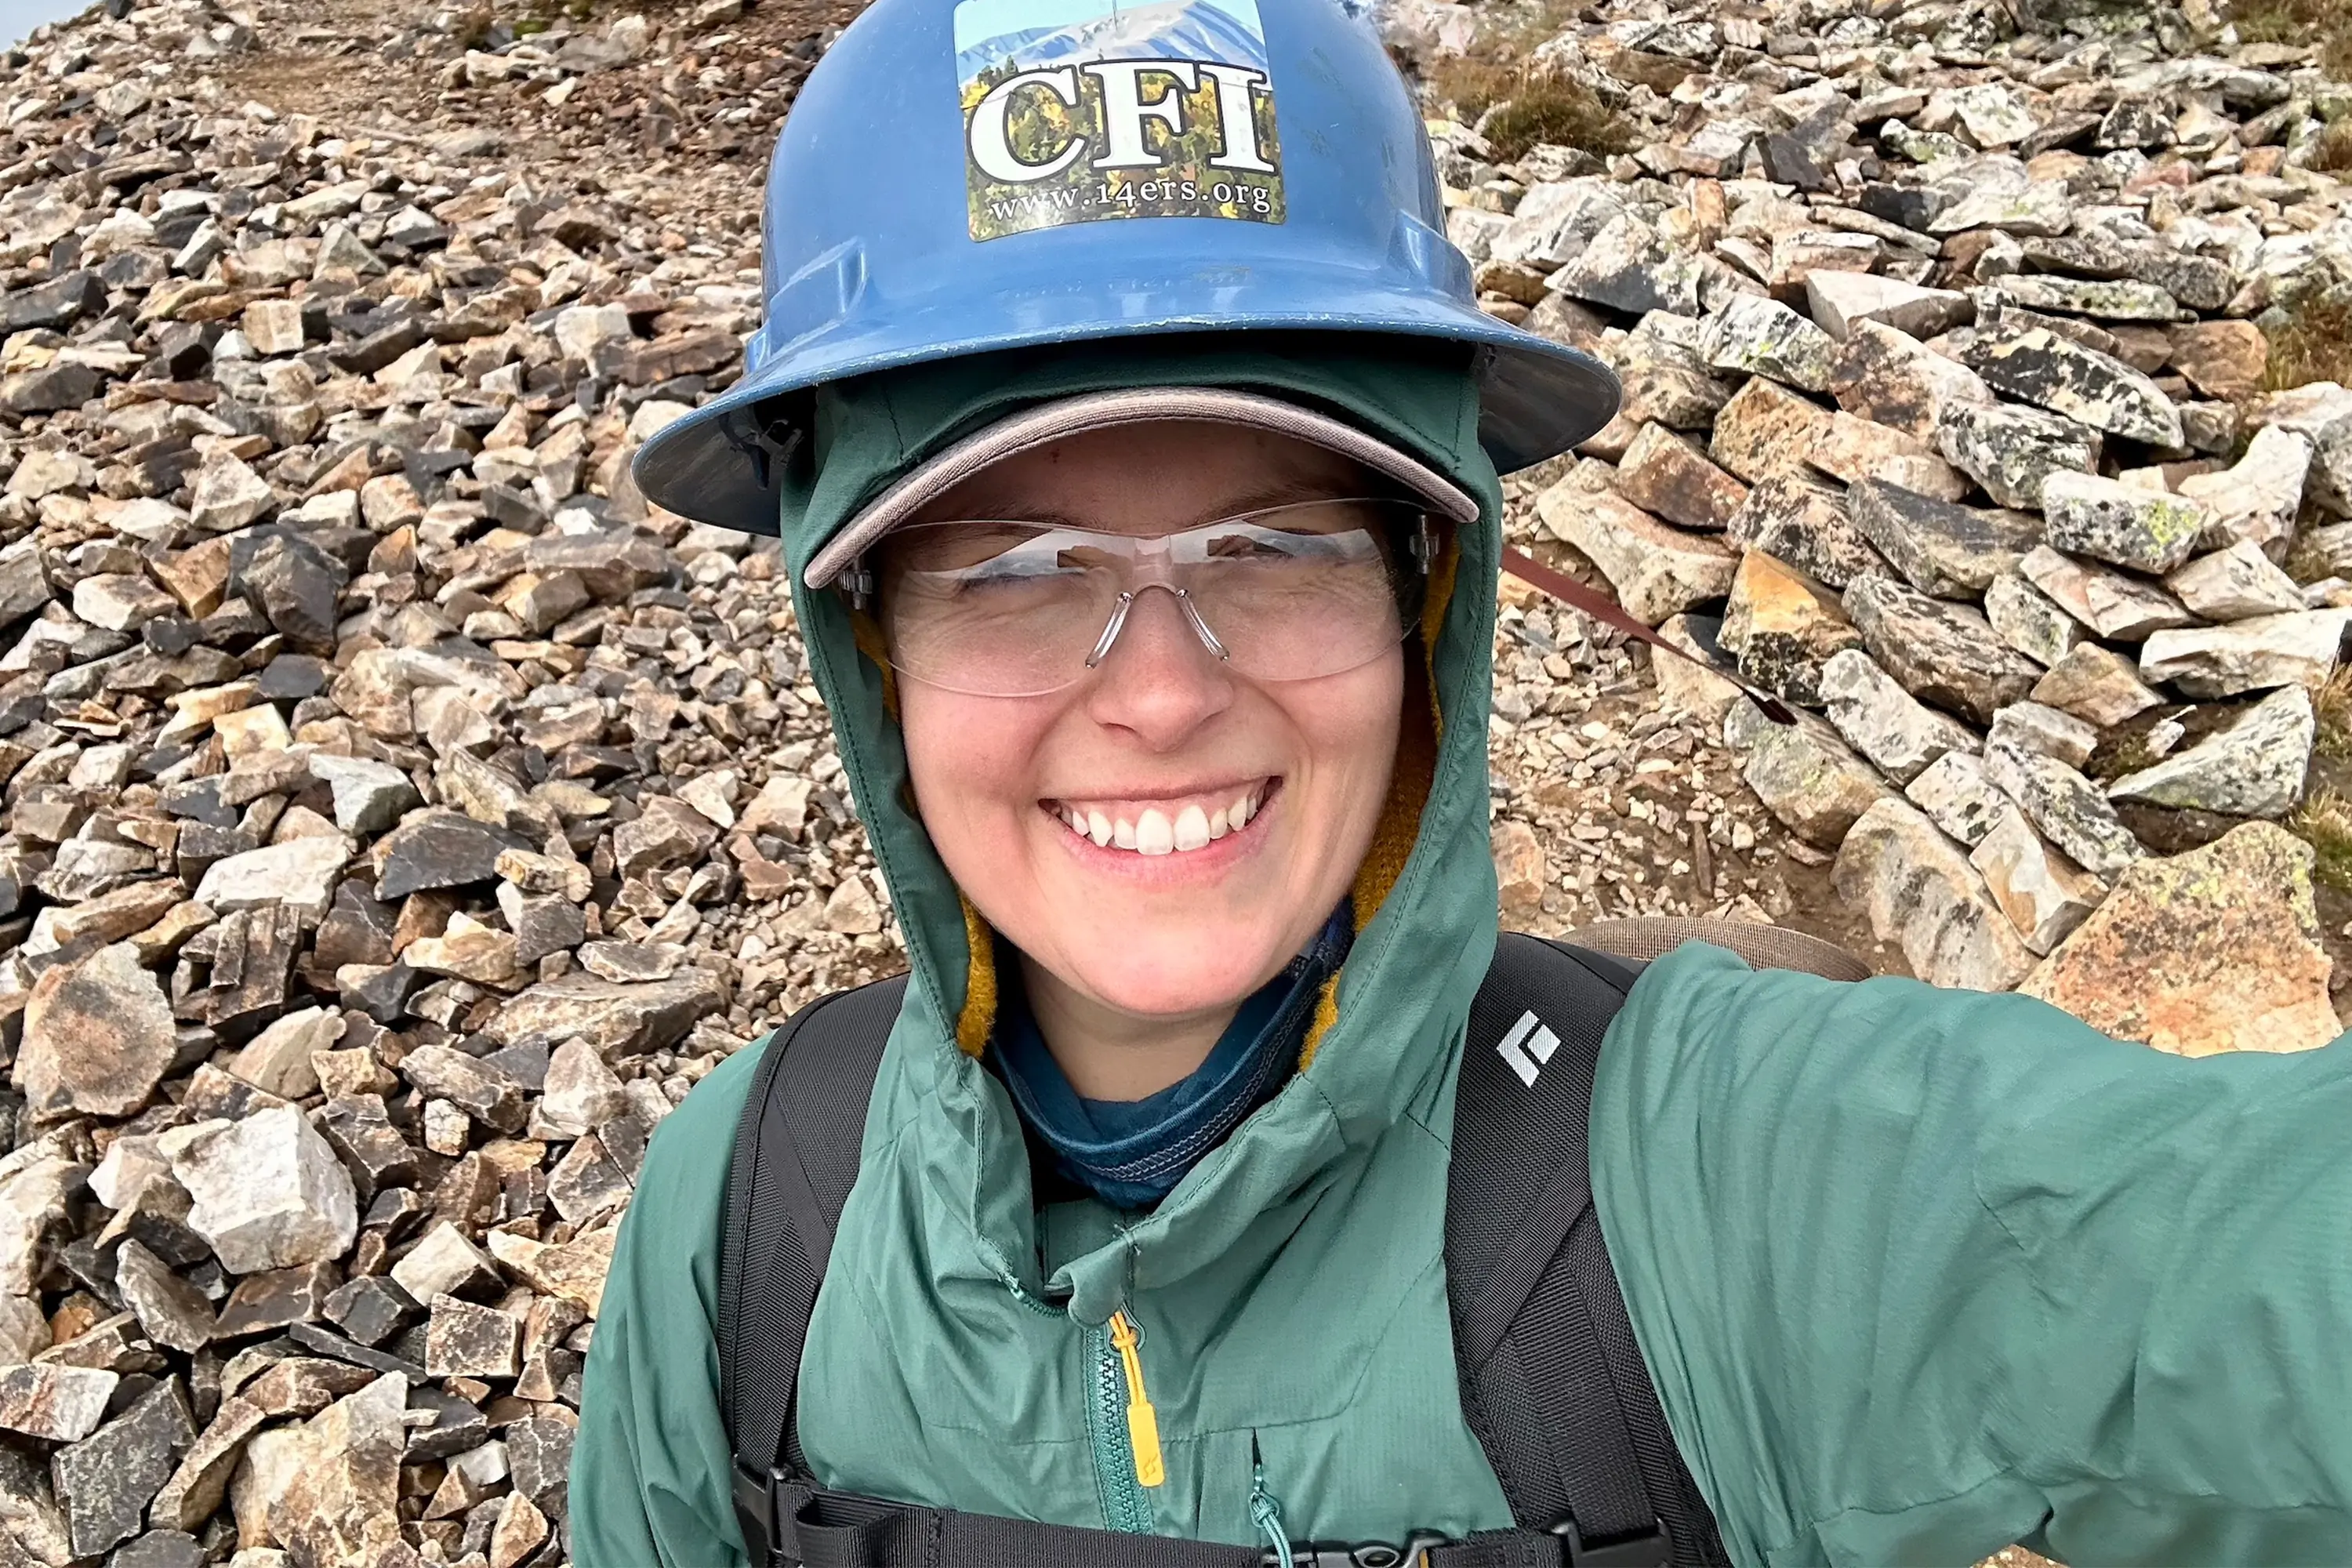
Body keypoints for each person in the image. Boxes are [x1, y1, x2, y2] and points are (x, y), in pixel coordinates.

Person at [569, 0, 2352, 1563]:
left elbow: (2225, 1246)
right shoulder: (746, 1221)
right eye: (1016, 570)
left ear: (1433, 597)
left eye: (1276, 544)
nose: (1167, 694)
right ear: (866, 644)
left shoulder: (1718, 1186)